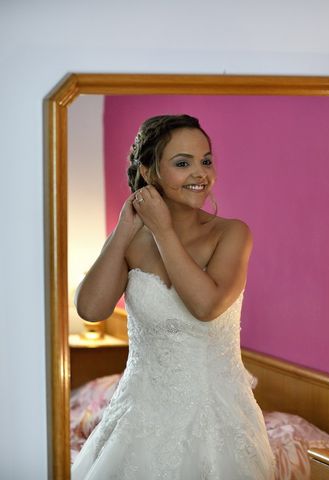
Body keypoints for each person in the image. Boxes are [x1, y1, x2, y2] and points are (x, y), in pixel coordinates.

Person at [71, 114, 275, 479]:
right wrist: (123, 229)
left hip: (216, 421)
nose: (201, 173)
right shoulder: (132, 241)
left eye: (206, 161)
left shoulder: (232, 234)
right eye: (183, 163)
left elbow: (206, 307)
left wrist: (162, 229)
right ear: (149, 173)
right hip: (139, 417)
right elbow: (90, 309)